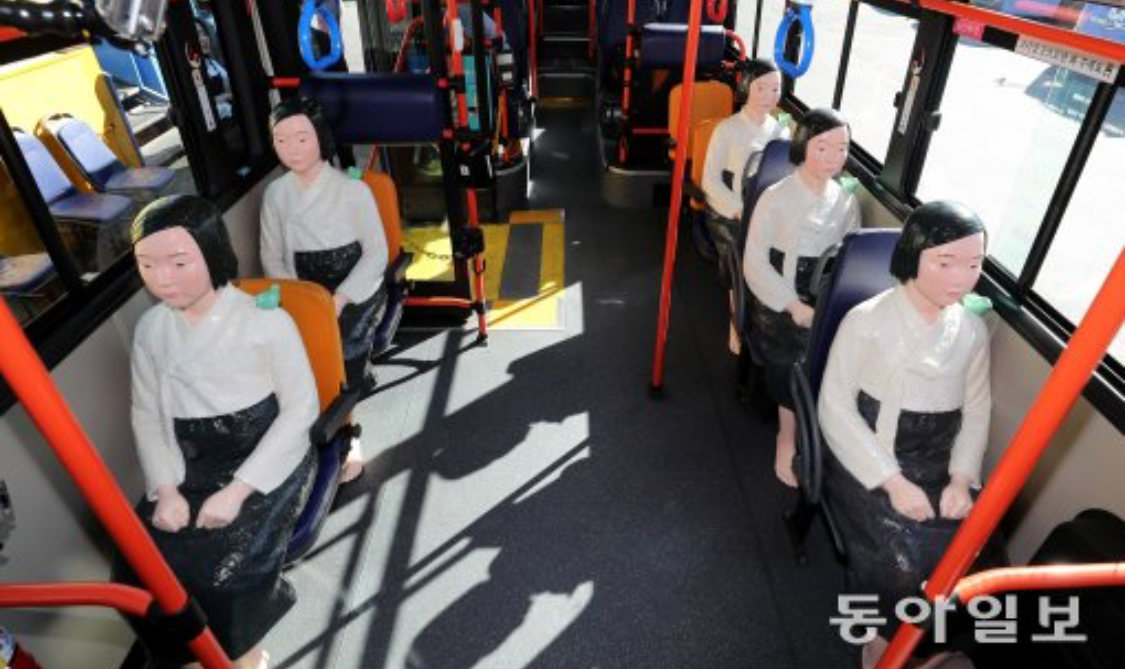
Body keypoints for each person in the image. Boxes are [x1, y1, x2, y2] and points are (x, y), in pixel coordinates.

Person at [120, 194, 318, 668]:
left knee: (223, 571)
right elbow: (147, 415)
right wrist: (166, 489)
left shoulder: (267, 322)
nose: (162, 278)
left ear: (211, 253)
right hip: (188, 461)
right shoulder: (150, 330)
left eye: (178, 263)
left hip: (265, 454)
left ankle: (244, 657)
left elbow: (300, 410)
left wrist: (237, 491)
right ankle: (191, 659)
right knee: (134, 567)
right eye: (147, 265)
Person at [818, 202, 996, 669]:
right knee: (903, 561)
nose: (961, 278)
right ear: (913, 256)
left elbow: (977, 409)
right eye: (945, 263)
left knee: (977, 551)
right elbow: (835, 406)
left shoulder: (972, 331)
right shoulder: (866, 321)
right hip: (869, 456)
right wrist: (892, 481)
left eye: (973, 265)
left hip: (938, 457)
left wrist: (961, 478)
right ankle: (881, 645)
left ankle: (931, 649)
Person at [261, 96, 388, 482]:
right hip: (302, 287)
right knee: (289, 358)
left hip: (354, 288)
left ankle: (349, 432)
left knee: (339, 358)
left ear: (320, 137)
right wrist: (299, 299)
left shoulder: (353, 191)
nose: (293, 149)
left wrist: (340, 298)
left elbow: (376, 253)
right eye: (282, 140)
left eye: (302, 138)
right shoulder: (276, 195)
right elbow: (271, 255)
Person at [742, 108, 860, 487]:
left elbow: (848, 264)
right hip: (778, 294)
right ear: (802, 146)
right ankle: (787, 434)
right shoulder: (775, 198)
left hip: (821, 294)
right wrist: (792, 305)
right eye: (822, 147)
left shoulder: (846, 203)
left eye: (841, 148)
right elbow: (755, 261)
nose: (832, 158)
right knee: (796, 350)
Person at [701, 58, 788, 247]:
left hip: (763, 212)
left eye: (775, 89)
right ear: (745, 87)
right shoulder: (727, 130)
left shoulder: (781, 132)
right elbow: (709, 180)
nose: (769, 96)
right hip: (728, 212)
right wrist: (739, 209)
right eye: (761, 88)